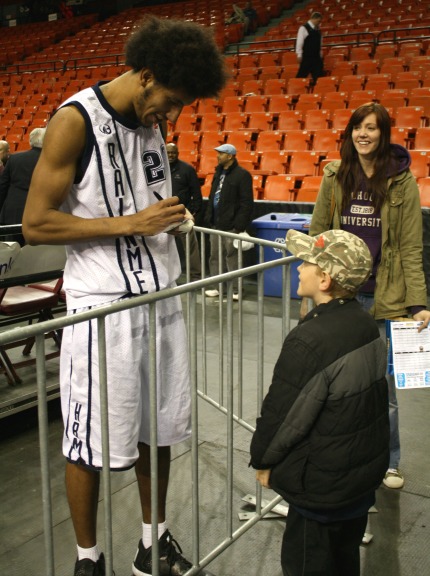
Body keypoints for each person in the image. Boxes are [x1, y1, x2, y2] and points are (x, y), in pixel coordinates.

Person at [22, 15, 227, 576]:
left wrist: (166, 220)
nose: (174, 115)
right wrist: (130, 224)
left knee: (158, 428)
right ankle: (89, 559)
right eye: (171, 100)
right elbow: (36, 223)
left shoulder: (151, 123)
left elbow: (143, 208)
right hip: (103, 309)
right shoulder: (74, 122)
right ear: (143, 75)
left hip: (159, 300)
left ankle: (151, 542)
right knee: (87, 439)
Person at [250, 228, 390, 576]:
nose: (299, 267)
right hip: (356, 481)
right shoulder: (366, 324)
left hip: (321, 489)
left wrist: (263, 460)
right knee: (344, 561)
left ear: (324, 279)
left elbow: (284, 416)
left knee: (307, 564)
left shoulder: (310, 340)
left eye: (307, 262)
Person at [310, 102, 430, 490]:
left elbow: (411, 247)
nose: (363, 134)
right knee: (336, 382)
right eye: (358, 127)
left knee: (382, 387)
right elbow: (319, 236)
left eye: (372, 128)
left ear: (384, 134)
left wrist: (418, 303)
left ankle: (389, 462)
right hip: (341, 294)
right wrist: (315, 290)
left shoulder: (401, 181)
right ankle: (341, 456)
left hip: (384, 298)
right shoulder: (335, 174)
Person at [203, 143, 254, 300]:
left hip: (231, 226)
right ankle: (219, 288)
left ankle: (236, 290)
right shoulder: (218, 174)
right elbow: (213, 197)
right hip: (215, 224)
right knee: (215, 257)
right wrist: (208, 217)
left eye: (221, 153)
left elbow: (247, 202)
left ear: (230, 156)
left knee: (232, 258)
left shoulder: (242, 175)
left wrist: (239, 225)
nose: (218, 156)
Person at [0, 128, 46, 239]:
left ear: (30, 141)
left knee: (11, 251)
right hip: (41, 213)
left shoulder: (15, 159)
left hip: (13, 213)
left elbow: (2, 186)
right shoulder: (51, 161)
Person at [166, 142, 202, 281]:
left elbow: (196, 193)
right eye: (168, 152)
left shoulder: (187, 169)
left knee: (191, 249)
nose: (170, 155)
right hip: (164, 215)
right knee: (163, 246)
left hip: (183, 215)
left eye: (173, 153)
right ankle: (166, 276)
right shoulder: (161, 169)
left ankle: (195, 278)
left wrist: (193, 212)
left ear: (178, 153)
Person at [295, 11, 324, 82]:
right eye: (318, 21)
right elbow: (299, 42)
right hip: (307, 57)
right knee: (301, 76)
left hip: (316, 57)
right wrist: (299, 54)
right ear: (314, 18)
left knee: (319, 78)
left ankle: (317, 91)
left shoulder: (318, 30)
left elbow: (319, 43)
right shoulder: (303, 28)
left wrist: (320, 54)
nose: (319, 23)